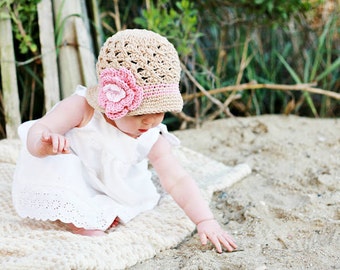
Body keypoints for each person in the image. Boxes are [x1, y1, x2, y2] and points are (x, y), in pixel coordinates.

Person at [12, 29, 237, 253]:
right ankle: (80, 220)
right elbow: (40, 128)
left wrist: (204, 220)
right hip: (76, 176)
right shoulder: (82, 108)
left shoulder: (152, 135)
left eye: (159, 111)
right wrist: (44, 144)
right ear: (111, 99)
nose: (150, 121)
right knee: (55, 162)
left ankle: (103, 210)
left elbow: (177, 179)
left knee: (126, 201)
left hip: (115, 185)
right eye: (140, 113)